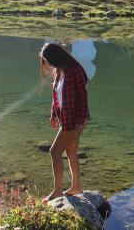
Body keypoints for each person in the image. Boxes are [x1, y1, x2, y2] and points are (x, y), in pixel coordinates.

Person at [39, 43, 90, 202]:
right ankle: (76, 188)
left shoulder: (75, 70)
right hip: (65, 118)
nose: (47, 64)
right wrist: (53, 114)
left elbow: (82, 98)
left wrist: (80, 122)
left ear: (56, 57)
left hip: (73, 120)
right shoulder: (59, 70)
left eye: (48, 60)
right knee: (71, 152)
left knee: (54, 152)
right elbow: (57, 96)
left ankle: (57, 191)